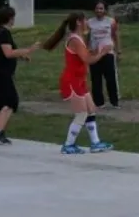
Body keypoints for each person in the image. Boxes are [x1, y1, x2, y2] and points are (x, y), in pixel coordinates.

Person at [43, 12, 114, 154]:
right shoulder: (75, 39)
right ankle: (68, 145)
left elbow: (84, 56)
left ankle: (95, 143)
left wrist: (95, 51)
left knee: (91, 110)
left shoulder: (79, 39)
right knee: (81, 113)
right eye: (85, 20)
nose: (87, 22)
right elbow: (88, 60)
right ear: (78, 22)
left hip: (80, 80)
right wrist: (102, 52)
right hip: (72, 80)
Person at [0, 6, 40, 145]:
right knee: (11, 101)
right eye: (13, 17)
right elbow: (8, 53)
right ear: (10, 18)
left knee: (0, 103)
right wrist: (29, 49)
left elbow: (4, 53)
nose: (14, 20)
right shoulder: (4, 33)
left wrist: (22, 56)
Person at [87, 1, 121, 108]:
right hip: (94, 53)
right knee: (96, 78)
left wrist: (118, 50)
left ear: (105, 10)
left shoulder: (111, 22)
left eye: (101, 8)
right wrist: (86, 50)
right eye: (97, 8)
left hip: (108, 53)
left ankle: (114, 102)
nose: (99, 11)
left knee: (110, 78)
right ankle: (98, 102)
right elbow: (87, 38)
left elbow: (115, 36)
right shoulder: (89, 22)